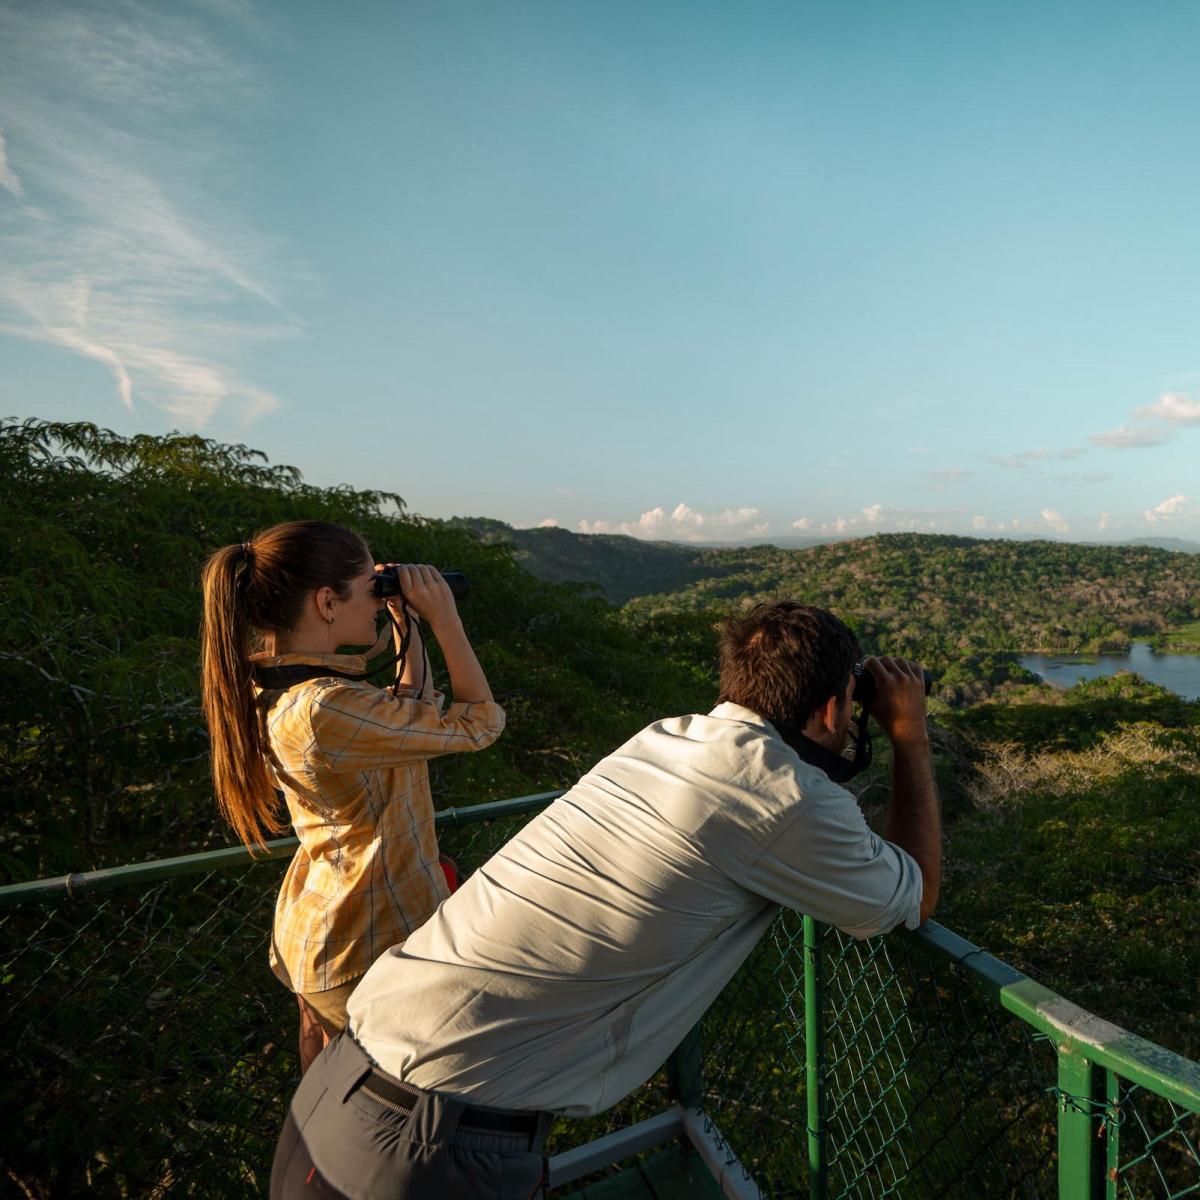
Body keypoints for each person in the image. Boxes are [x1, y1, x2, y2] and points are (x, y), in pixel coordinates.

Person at [269, 601, 941, 1199]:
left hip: (339, 1087)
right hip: (431, 1150)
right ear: (831, 707)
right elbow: (915, 896)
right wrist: (909, 735)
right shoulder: (786, 796)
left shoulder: (666, 737)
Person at [200, 520, 504, 1072]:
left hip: (327, 931)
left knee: (333, 1097)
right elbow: (479, 724)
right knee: (394, 1111)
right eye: (370, 587)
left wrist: (404, 619)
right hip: (363, 942)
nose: (377, 597)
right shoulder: (322, 708)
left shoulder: (283, 690)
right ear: (326, 602)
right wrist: (446, 620)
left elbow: (408, 712)